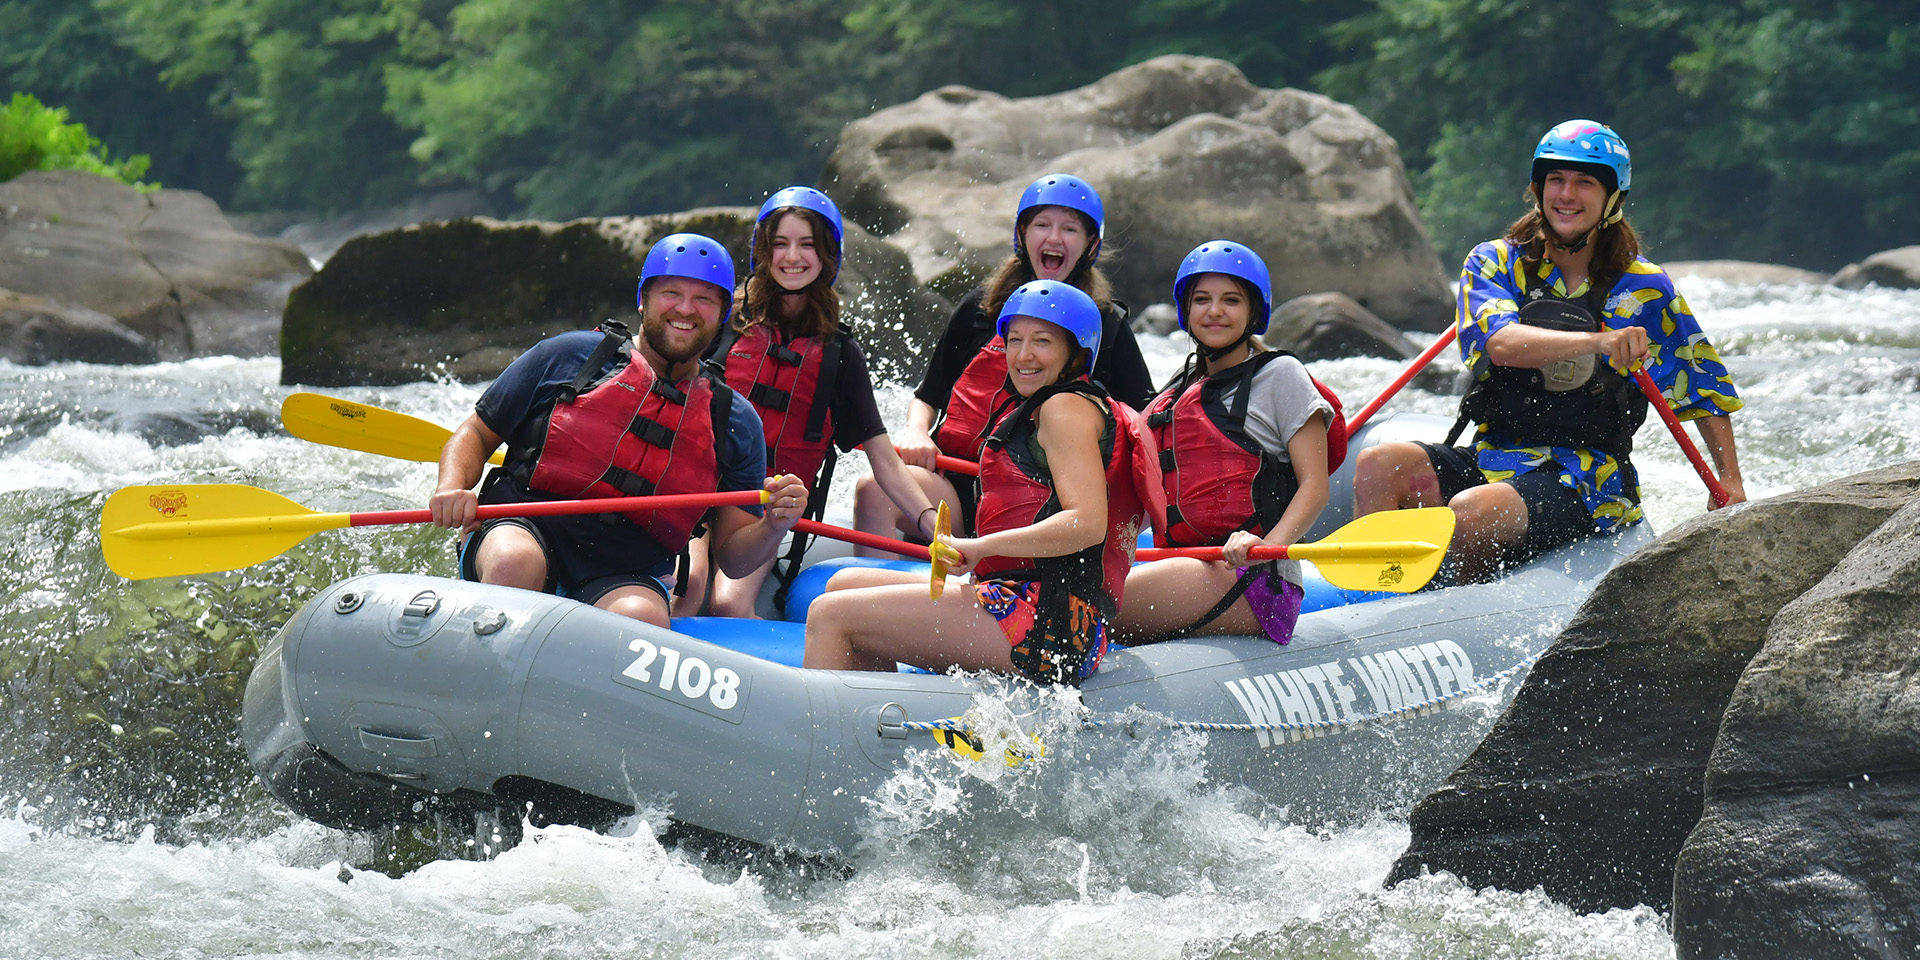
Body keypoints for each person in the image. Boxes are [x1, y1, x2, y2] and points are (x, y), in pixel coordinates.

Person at [1352, 119, 1747, 582]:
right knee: (1379, 463)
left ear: (1611, 199)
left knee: (1474, 509)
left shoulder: (1644, 289)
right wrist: (1599, 341)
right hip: (1492, 455)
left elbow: (1700, 387)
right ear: (1538, 190)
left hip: (1589, 478)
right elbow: (1498, 344)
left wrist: (1731, 482)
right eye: (1555, 180)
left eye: (1584, 182)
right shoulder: (1494, 262)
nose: (1566, 194)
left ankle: (1451, 606)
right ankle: (1379, 594)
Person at [428, 233, 811, 628]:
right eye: (671, 293)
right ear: (643, 299)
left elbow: (735, 559)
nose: (685, 309)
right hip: (526, 524)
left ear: (722, 314)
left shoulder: (734, 419)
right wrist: (451, 486)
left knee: (642, 618)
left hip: (629, 566)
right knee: (515, 562)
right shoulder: (570, 357)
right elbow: (476, 433)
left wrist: (773, 525)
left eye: (704, 300)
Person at [804, 281, 1150, 685]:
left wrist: (981, 547)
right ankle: (873, 718)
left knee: (830, 614)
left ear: (1076, 353)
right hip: (1033, 602)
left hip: (1052, 622)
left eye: (1042, 341)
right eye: (1014, 340)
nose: (1023, 355)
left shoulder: (1064, 408)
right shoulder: (1059, 405)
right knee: (842, 583)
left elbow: (1087, 524)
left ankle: (824, 739)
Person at [851, 173, 1155, 552]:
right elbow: (928, 395)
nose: (1054, 238)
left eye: (1070, 229)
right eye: (1042, 225)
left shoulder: (1106, 326)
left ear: (1090, 244)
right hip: (959, 486)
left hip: (1042, 501)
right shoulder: (979, 310)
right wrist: (915, 432)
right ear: (1023, 234)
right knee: (873, 488)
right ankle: (876, 594)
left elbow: (1144, 428)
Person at [682, 186, 942, 617]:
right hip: (692, 490)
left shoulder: (839, 355)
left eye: (807, 245)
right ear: (763, 251)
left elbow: (885, 461)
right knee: (688, 588)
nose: (792, 257)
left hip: (760, 509)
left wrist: (933, 526)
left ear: (827, 256)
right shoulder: (725, 322)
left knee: (729, 602)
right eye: (780, 244)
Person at [1113, 241, 1336, 645]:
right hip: (1183, 566)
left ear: (1253, 311)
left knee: (1092, 606)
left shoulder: (1281, 375)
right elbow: (1137, 503)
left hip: (1256, 579)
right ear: (1186, 310)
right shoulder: (1172, 399)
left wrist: (1266, 545)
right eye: (1202, 299)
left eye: (1230, 300)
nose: (1214, 310)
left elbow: (1315, 487)